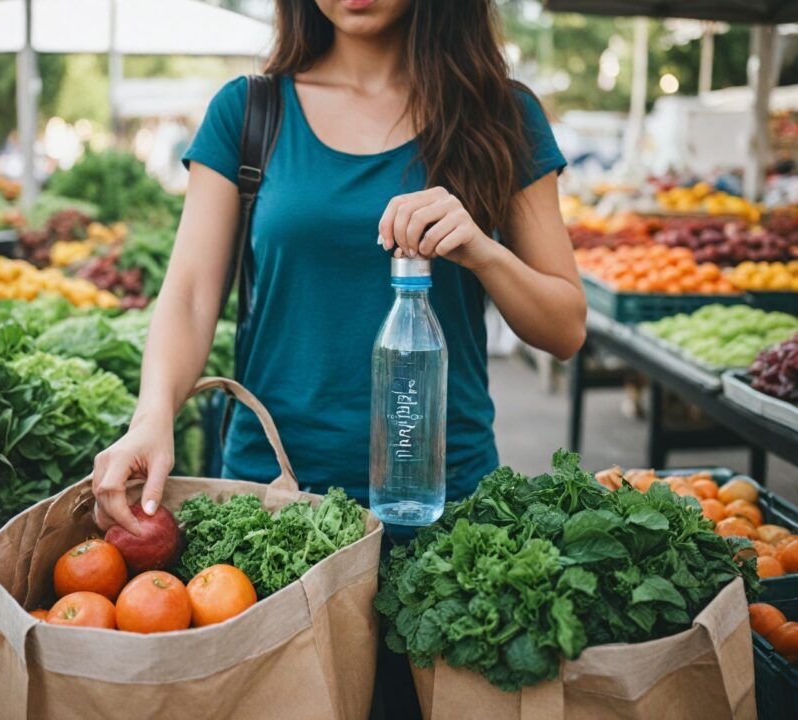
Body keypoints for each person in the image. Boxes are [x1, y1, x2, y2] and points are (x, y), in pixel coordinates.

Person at [91, 0, 585, 536]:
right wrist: (152, 418)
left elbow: (565, 329)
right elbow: (188, 296)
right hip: (272, 500)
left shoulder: (501, 115)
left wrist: (482, 253)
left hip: (446, 507)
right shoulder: (249, 111)